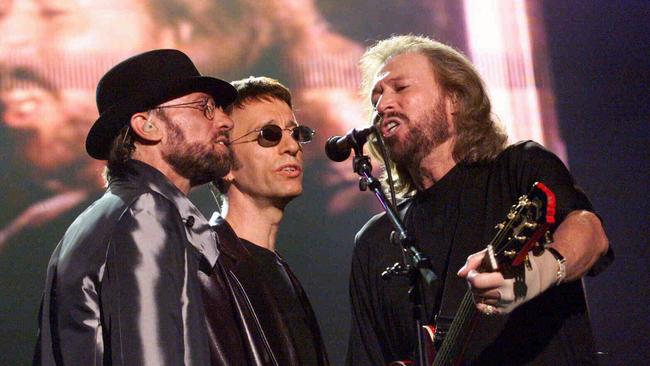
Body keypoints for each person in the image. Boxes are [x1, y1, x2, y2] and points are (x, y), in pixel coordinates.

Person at [346, 35, 611, 365]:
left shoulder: (518, 167)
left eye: (400, 88)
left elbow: (589, 232)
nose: (383, 104)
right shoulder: (373, 241)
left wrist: (537, 272)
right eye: (377, 96)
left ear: (454, 99)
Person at [33, 49, 237, 365]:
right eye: (205, 108)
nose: (225, 121)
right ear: (147, 126)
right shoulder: (146, 213)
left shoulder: (116, 213)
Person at [200, 76, 329, 365]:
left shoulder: (281, 269)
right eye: (269, 135)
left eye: (296, 133)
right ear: (226, 165)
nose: (292, 147)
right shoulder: (207, 268)